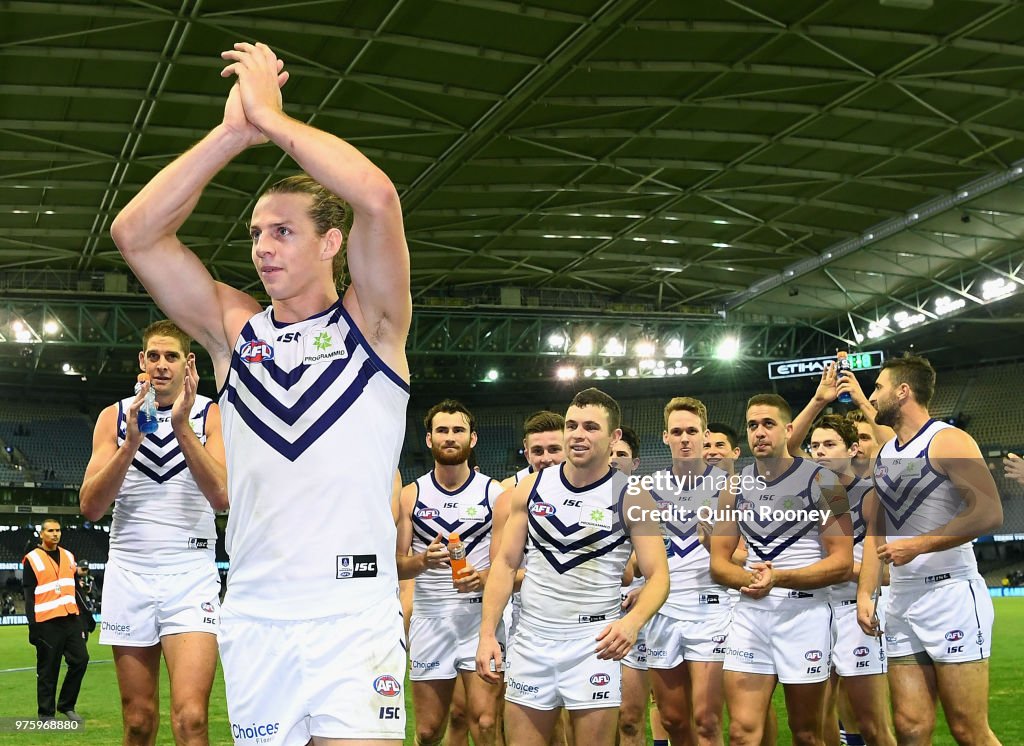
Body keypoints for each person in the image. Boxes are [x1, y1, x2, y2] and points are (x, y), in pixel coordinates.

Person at [110, 41, 411, 744]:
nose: (262, 247)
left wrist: (273, 121)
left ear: (331, 243)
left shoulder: (373, 324)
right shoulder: (232, 332)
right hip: (255, 613)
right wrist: (230, 135)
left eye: (282, 232)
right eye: (255, 234)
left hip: (353, 617)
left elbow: (377, 198)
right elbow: (136, 234)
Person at [476, 388, 669, 746]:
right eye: (572, 425)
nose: (578, 435)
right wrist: (487, 633)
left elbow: (658, 577)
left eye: (591, 427)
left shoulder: (633, 497)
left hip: (594, 644)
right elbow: (505, 564)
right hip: (531, 641)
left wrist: (632, 623)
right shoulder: (531, 487)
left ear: (614, 437)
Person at [80, 320, 227, 746]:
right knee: (139, 722)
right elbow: (90, 507)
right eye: (155, 356)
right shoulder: (114, 416)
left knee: (192, 720)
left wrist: (181, 425)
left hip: (191, 575)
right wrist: (130, 443)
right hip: (130, 574)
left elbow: (221, 497)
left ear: (188, 363)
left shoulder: (210, 414)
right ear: (142, 361)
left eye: (172, 356)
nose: (162, 364)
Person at [860, 355, 1003, 746]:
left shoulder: (949, 440)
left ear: (903, 391)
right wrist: (865, 593)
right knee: (909, 727)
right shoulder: (885, 454)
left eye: (878, 387)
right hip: (901, 599)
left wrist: (919, 544)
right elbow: (877, 530)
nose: (872, 396)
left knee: (968, 729)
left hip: (950, 594)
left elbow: (989, 512)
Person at [710, 394, 853, 746]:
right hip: (751, 616)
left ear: (788, 430)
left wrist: (778, 578)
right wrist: (754, 580)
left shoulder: (826, 482)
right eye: (752, 425)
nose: (759, 432)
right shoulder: (734, 486)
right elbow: (718, 563)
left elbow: (842, 562)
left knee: (806, 733)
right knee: (741, 733)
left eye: (768, 424)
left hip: (805, 616)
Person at [395, 400, 503, 746]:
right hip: (430, 620)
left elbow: (508, 566)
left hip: (479, 620)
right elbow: (396, 564)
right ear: (429, 439)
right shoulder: (411, 495)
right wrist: (422, 561)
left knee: (485, 723)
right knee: (428, 731)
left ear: (473, 438)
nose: (450, 437)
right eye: (442, 430)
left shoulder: (495, 494)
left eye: (459, 430)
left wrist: (482, 578)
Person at [644, 398, 732, 746]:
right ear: (665, 436)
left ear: (705, 435)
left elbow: (744, 555)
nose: (684, 438)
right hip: (662, 610)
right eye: (677, 431)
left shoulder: (730, 487)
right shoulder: (646, 488)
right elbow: (637, 555)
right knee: (673, 720)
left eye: (692, 431)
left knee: (707, 721)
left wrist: (714, 546)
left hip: (711, 610)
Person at [806, 415, 895, 746]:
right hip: (814, 613)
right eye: (815, 446)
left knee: (872, 724)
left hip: (855, 611)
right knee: (819, 720)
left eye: (830, 444)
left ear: (853, 448)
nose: (820, 452)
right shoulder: (806, 497)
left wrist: (840, 569)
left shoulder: (871, 496)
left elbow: (886, 572)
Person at [609, 426, 653, 746]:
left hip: (635, 617)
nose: (614, 459)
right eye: (610, 453)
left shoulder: (647, 500)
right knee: (589, 717)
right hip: (592, 617)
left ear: (634, 463)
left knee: (629, 717)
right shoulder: (582, 498)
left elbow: (657, 565)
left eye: (621, 454)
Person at [22, 518, 88, 722]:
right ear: (41, 534)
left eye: (58, 530)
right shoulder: (32, 559)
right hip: (46, 622)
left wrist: (84, 618)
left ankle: (66, 705)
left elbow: (75, 590)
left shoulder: (69, 556)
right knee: (48, 669)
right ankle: (46, 713)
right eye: (50, 531)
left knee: (81, 660)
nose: (55, 534)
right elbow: (29, 595)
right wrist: (33, 626)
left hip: (70, 618)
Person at [501, 411, 566, 491]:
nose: (546, 459)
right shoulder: (507, 489)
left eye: (554, 450)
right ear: (527, 455)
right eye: (538, 451)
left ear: (568, 451)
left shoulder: (580, 486)